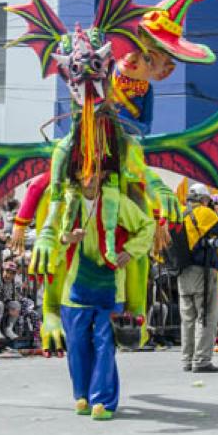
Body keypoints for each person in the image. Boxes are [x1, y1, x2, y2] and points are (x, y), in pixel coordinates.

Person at [58, 169, 154, 419]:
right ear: (77, 175)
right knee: (77, 344)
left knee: (104, 344)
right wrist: (68, 236)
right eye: (84, 172)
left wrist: (131, 250)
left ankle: (103, 400)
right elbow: (53, 237)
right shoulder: (68, 203)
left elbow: (147, 225)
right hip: (75, 287)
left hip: (110, 286)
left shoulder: (117, 202)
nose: (88, 177)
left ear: (101, 175)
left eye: (94, 172)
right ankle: (82, 396)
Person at [178, 182, 218, 373]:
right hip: (202, 270)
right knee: (206, 316)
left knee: (188, 318)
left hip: (182, 271)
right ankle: (201, 360)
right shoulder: (203, 212)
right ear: (203, 199)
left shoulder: (180, 213)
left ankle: (187, 359)